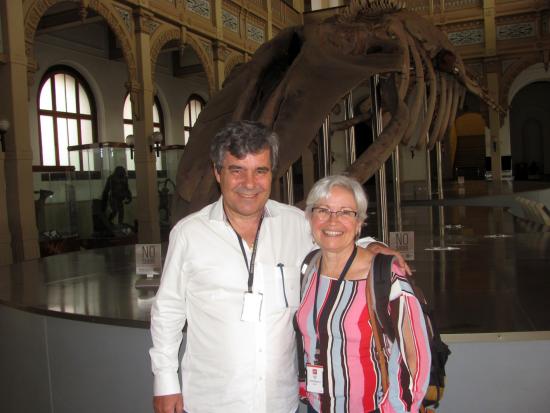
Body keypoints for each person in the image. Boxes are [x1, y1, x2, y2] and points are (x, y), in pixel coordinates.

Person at [150, 121, 408, 413]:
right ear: (217, 172)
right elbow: (168, 312)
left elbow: (335, 239)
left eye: (260, 171)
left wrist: (371, 244)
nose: (250, 184)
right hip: (212, 400)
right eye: (237, 170)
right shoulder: (189, 234)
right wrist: (165, 381)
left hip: (280, 401)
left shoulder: (295, 224)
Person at [295, 175, 431, 413]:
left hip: (372, 408)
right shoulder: (309, 268)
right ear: (310, 216)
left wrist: (395, 409)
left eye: (346, 212)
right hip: (316, 407)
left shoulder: (385, 277)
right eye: (323, 210)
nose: (332, 221)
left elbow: (416, 355)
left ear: (359, 223)